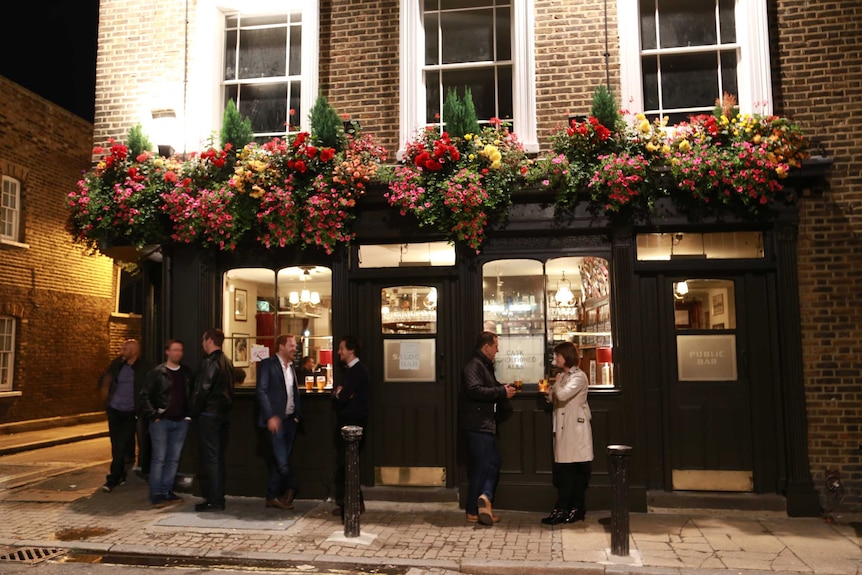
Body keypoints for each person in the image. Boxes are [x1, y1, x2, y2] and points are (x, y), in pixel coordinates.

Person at [459, 331, 516, 527]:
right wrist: (501, 392)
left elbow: (486, 387)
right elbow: (474, 390)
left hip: (485, 425)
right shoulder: (474, 366)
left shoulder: (483, 365)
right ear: (486, 347)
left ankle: (485, 499)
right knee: (481, 468)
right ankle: (473, 510)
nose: (498, 350)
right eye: (495, 346)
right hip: (477, 426)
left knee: (492, 464)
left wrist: (502, 388)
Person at [540, 341, 593, 525]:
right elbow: (553, 398)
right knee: (566, 471)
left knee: (572, 470)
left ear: (566, 357)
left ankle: (572, 508)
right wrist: (551, 389)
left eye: (557, 355)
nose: (555, 358)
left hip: (574, 429)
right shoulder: (563, 376)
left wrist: (557, 384)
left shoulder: (579, 377)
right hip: (564, 427)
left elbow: (562, 395)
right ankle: (567, 508)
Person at [140, 339, 193, 508]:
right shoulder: (158, 372)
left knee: (173, 459)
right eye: (175, 350)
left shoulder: (185, 372)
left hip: (180, 421)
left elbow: (190, 395)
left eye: (181, 350)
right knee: (160, 458)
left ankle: (167, 490)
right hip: (161, 421)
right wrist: (154, 415)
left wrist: (188, 415)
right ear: (167, 352)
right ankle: (156, 493)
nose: (178, 353)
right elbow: (145, 395)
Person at [256, 334, 303, 510]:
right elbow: (261, 391)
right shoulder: (268, 365)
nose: (295, 348)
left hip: (291, 421)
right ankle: (294, 486)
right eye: (291, 345)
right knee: (282, 461)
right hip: (276, 422)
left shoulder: (291, 367)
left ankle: (271, 496)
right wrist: (271, 416)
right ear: (281, 347)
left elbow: (293, 392)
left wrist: (297, 415)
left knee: (279, 460)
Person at [190, 328, 234, 512]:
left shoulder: (210, 363)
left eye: (203, 340)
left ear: (209, 340)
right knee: (218, 457)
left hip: (209, 415)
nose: (202, 344)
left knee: (212, 458)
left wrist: (192, 412)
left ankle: (215, 500)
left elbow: (202, 390)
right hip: (223, 414)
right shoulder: (227, 362)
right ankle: (217, 497)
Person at [99, 339, 152, 493]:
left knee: (121, 445)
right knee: (116, 445)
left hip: (130, 412)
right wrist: (105, 390)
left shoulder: (144, 368)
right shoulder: (117, 364)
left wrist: (143, 407)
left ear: (134, 351)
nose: (122, 351)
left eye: (125, 349)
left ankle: (113, 479)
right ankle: (120, 474)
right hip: (115, 410)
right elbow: (107, 379)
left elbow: (149, 387)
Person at [330, 335, 370, 518]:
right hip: (347, 421)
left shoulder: (358, 371)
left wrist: (341, 394)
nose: (339, 352)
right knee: (346, 464)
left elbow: (343, 395)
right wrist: (341, 393)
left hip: (353, 423)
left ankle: (353, 504)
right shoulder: (350, 371)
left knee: (348, 463)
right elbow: (342, 393)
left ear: (350, 350)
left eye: (341, 348)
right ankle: (353, 503)